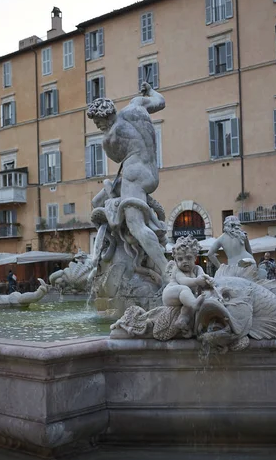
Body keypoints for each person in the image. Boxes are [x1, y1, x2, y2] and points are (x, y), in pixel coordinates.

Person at [87, 81, 168, 280]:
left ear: (104, 117)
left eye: (98, 123)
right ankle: (111, 244)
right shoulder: (136, 106)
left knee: (136, 226)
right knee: (97, 202)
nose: (99, 127)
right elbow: (160, 101)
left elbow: (116, 157)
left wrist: (107, 135)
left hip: (133, 173)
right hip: (149, 171)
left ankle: (168, 272)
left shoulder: (109, 138)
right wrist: (150, 91)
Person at [163, 236, 214, 333]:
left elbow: (203, 277)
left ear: (195, 257)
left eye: (188, 258)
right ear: (176, 260)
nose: (184, 261)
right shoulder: (176, 270)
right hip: (170, 295)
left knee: (187, 305)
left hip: (185, 299)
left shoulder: (198, 269)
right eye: (180, 259)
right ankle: (195, 304)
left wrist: (209, 280)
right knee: (184, 289)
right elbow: (183, 281)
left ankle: (182, 321)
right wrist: (196, 281)